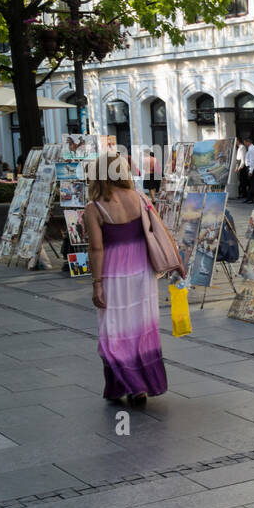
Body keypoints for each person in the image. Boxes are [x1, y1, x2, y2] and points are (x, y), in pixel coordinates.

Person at [82, 152, 184, 406]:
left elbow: (96, 249)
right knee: (141, 328)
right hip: (143, 274)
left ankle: (127, 383)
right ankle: (140, 387)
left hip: (114, 276)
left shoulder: (94, 209)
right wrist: (176, 261)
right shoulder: (139, 197)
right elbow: (160, 230)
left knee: (114, 331)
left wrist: (96, 284)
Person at [241, 138, 254, 203]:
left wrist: (250, 171)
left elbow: (253, 161)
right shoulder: (251, 149)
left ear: (248, 142)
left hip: (253, 168)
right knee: (252, 184)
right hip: (252, 168)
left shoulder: (252, 149)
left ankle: (252, 199)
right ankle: (252, 198)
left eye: (245, 142)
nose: (244, 144)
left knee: (253, 184)